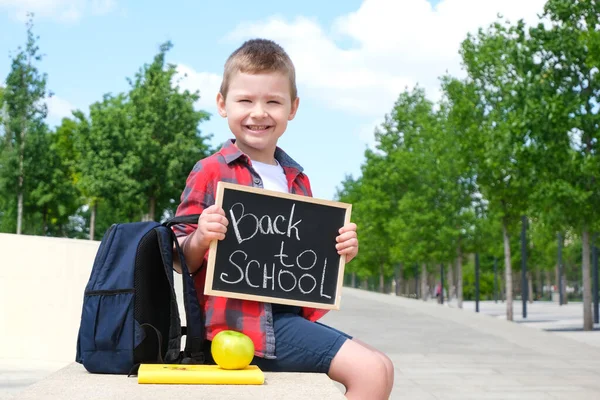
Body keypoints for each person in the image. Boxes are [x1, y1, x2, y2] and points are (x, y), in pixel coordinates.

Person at [172, 38, 393, 399]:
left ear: (293, 108)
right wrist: (200, 238)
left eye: (273, 101)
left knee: (381, 364)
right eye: (245, 100)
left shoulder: (296, 178)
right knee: (370, 371)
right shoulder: (211, 171)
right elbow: (177, 255)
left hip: (285, 320)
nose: (259, 112)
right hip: (239, 329)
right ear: (222, 103)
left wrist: (338, 252)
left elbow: (308, 265)